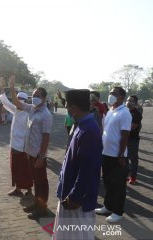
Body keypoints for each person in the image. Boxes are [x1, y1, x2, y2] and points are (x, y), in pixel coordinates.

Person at [52, 89, 103, 240]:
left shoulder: (89, 131)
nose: (66, 109)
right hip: (69, 193)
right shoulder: (80, 125)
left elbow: (88, 170)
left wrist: (75, 197)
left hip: (76, 201)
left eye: (67, 106)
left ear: (73, 108)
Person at [9, 75, 53, 220]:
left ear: (44, 98)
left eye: (38, 96)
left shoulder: (45, 114)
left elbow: (46, 137)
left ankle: (42, 208)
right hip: (30, 153)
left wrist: (41, 157)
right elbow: (17, 103)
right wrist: (12, 88)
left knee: (41, 181)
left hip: (38, 155)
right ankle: (36, 203)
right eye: (33, 95)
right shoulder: (33, 109)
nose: (34, 98)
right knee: (35, 180)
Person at [95, 87, 132, 223]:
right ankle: (108, 206)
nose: (111, 95)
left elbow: (125, 135)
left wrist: (121, 154)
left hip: (118, 156)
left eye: (114, 94)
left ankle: (117, 212)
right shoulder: (111, 110)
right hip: (106, 153)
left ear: (121, 97)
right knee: (108, 182)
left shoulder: (125, 113)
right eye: (110, 93)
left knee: (118, 185)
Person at [0, 77, 32, 198]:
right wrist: (2, 88)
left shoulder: (29, 112)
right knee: (15, 168)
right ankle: (18, 189)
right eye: (16, 100)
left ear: (24, 102)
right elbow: (6, 102)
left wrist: (11, 88)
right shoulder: (16, 110)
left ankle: (29, 189)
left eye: (19, 101)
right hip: (14, 144)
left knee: (25, 169)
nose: (17, 102)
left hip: (23, 146)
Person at [126, 95, 143, 184]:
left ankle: (133, 177)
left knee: (133, 159)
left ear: (135, 103)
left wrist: (121, 129)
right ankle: (126, 175)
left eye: (131, 101)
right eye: (128, 100)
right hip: (124, 139)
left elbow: (133, 127)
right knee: (125, 158)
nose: (128, 102)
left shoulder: (137, 114)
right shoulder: (124, 111)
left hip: (133, 139)